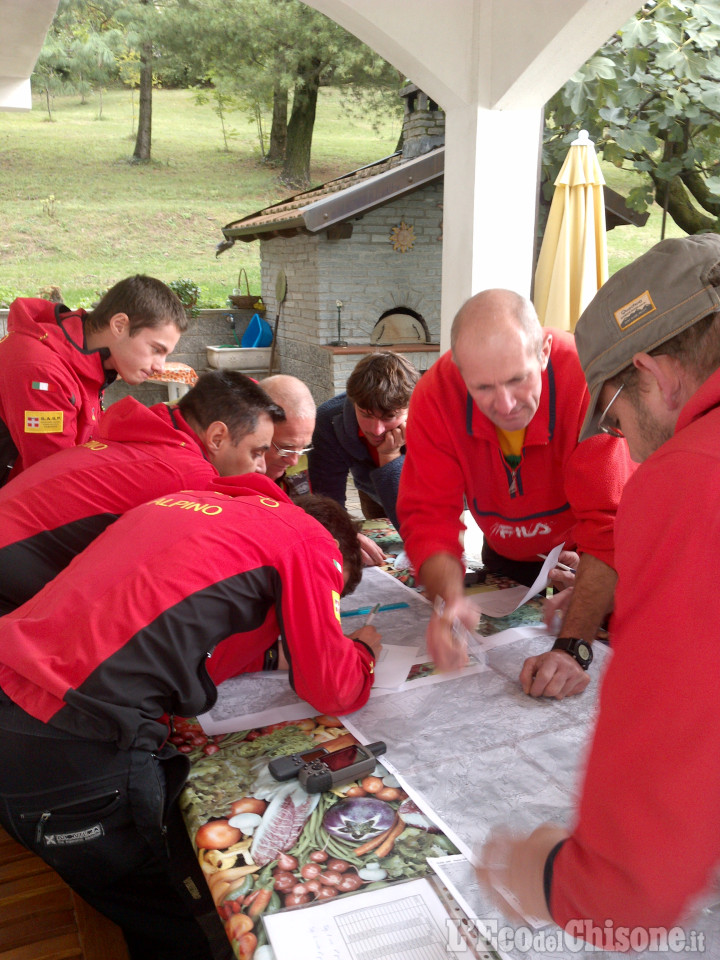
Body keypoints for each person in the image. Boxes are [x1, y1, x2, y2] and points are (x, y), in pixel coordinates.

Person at [0, 472, 381, 960]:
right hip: (76, 752)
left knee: (143, 912)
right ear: (337, 559)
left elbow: (181, 626)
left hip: (21, 707)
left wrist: (272, 656)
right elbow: (332, 686)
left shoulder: (186, 504)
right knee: (195, 922)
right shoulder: (307, 540)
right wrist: (362, 652)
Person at [477, 234, 720, 943]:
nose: (632, 451)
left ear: (655, 374)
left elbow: (671, 723)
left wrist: (573, 886)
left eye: (616, 421)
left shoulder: (689, 471)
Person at [397, 289, 634, 698]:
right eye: (483, 388)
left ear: (543, 351)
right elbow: (429, 513)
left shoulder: (587, 377)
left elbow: (608, 527)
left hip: (590, 563)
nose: (505, 404)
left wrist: (571, 647)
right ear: (458, 369)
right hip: (508, 557)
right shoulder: (436, 394)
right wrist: (449, 600)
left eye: (517, 379)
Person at [0, 369, 282, 613]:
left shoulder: (155, 429)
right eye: (257, 453)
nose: (260, 468)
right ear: (217, 437)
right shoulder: (189, 477)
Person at [0, 274, 188, 485]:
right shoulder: (42, 370)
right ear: (119, 325)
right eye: (156, 349)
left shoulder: (88, 358)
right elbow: (54, 481)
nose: (160, 367)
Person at [308, 351, 419, 530]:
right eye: (366, 415)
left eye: (389, 416)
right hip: (369, 486)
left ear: (410, 406)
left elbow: (416, 524)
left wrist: (389, 456)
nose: (377, 430)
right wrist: (348, 537)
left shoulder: (432, 422)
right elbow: (327, 502)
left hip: (422, 495)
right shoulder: (328, 421)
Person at [258, 373, 316, 496]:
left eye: (303, 449)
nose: (293, 461)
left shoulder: (297, 475)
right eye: (285, 448)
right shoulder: (223, 472)